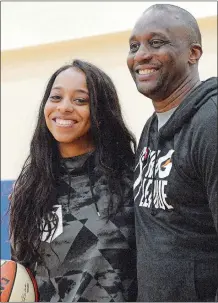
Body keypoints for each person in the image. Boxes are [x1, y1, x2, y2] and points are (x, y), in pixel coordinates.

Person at [9, 59, 137, 302]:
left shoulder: (130, 181)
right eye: (56, 97)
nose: (64, 107)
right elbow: (22, 277)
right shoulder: (29, 190)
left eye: (80, 100)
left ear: (101, 112)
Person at [127, 4, 218, 302]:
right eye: (134, 45)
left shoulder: (210, 123)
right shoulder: (151, 127)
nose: (141, 55)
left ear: (193, 53)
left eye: (156, 42)